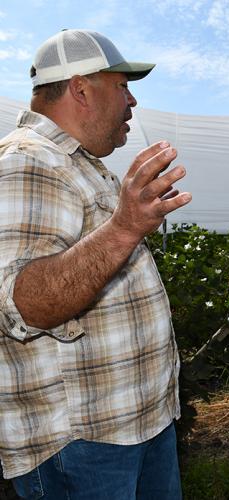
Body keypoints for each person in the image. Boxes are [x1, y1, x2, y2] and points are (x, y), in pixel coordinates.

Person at [0, 30, 191, 499]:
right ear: (81, 88)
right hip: (83, 444)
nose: (133, 100)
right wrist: (124, 227)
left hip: (137, 423)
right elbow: (22, 304)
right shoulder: (28, 161)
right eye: (122, 85)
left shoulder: (80, 164)